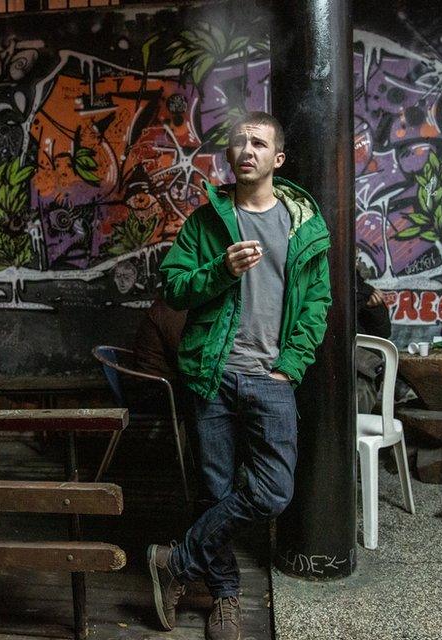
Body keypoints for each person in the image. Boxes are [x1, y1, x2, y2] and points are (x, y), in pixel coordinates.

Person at [147, 112, 331, 640]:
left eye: (259, 142)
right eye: (238, 142)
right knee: (215, 488)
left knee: (273, 491)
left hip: (270, 379)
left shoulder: (303, 226)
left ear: (278, 159)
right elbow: (175, 288)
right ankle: (225, 597)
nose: (246, 149)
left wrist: (288, 368)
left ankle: (175, 562)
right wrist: (219, 271)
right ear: (228, 157)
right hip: (213, 373)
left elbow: (316, 305)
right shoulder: (208, 222)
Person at [355, 269, 392, 412]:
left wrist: (374, 308)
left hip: (360, 371)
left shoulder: (365, 292)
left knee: (361, 394)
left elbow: (383, 333)